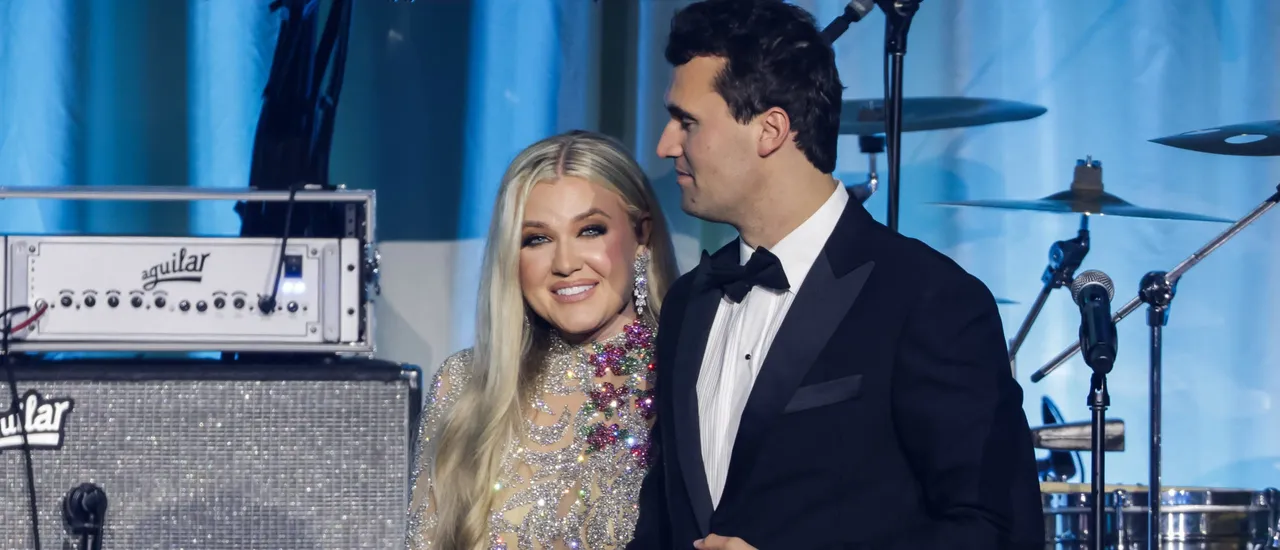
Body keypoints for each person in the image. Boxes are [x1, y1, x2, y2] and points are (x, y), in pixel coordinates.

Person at [629, 1, 1045, 549]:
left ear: (770, 130)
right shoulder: (690, 301)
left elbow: (996, 530)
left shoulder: (929, 298)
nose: (665, 145)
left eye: (687, 121)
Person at [407, 130, 681, 550]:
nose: (566, 263)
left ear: (641, 236)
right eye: (537, 239)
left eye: (590, 230)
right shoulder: (465, 386)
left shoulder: (689, 376)